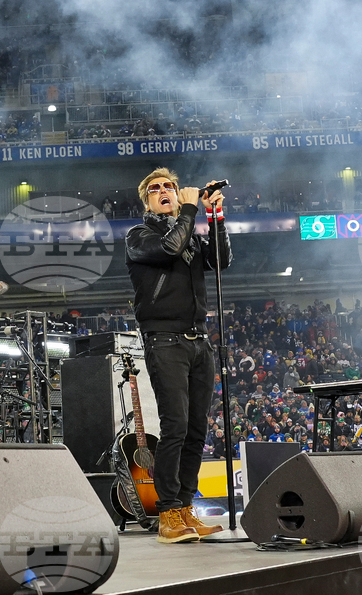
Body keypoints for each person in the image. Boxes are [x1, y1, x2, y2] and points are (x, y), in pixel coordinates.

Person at [125, 167, 231, 543]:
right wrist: (188, 210)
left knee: (196, 430)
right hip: (165, 340)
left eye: (169, 186)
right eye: (155, 189)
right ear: (147, 200)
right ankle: (168, 513)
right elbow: (168, 248)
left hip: (199, 341)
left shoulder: (188, 236)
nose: (164, 191)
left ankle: (186, 508)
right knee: (175, 427)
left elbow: (221, 263)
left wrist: (214, 216)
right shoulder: (139, 236)